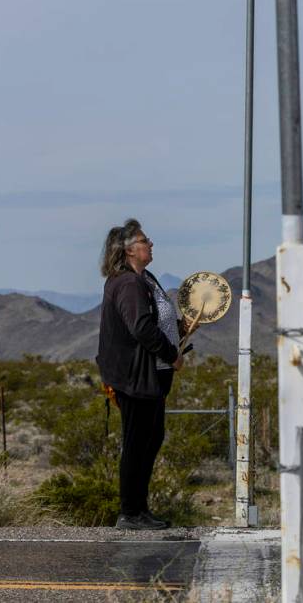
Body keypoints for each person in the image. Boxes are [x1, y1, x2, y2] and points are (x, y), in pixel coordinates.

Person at [96, 219, 193, 530]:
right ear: (127, 251)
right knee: (138, 441)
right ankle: (129, 513)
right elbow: (141, 328)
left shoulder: (145, 279)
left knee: (150, 439)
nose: (150, 244)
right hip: (135, 376)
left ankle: (139, 509)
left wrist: (181, 329)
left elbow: (156, 324)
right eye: (143, 240)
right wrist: (172, 355)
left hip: (151, 374)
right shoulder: (128, 283)